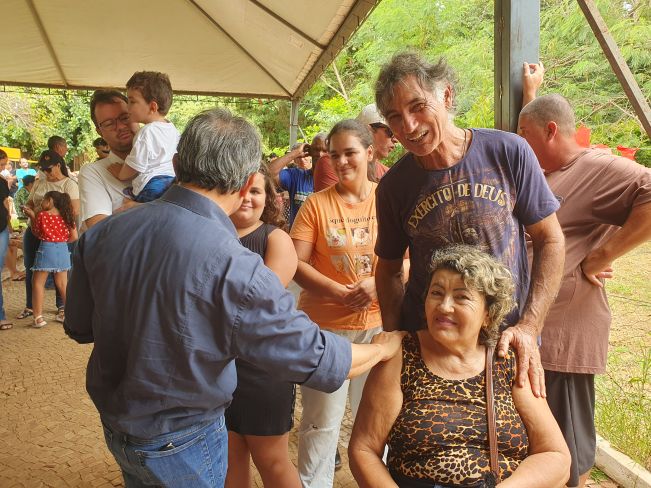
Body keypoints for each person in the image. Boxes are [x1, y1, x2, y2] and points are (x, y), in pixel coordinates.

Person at [64, 107, 405, 488]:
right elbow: (311, 355)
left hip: (118, 428)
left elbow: (79, 327)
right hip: (185, 436)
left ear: (176, 165)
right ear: (245, 184)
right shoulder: (234, 263)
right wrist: (381, 348)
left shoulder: (103, 233)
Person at [373, 52, 565, 395]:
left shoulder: (508, 152)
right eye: (395, 117)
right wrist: (396, 336)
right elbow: (388, 270)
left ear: (446, 95)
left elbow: (550, 239)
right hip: (432, 351)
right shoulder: (393, 188)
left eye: (418, 107)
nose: (409, 127)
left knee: (514, 429)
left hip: (504, 344)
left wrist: (529, 326)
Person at [519, 67, 651, 488]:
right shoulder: (546, 170)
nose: (519, 143)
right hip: (537, 331)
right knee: (540, 440)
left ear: (551, 131)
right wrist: (531, 92)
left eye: (524, 134)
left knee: (569, 447)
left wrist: (602, 255)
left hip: (565, 333)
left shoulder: (596, 167)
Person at [350, 245, 571, 487]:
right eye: (436, 293)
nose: (444, 306)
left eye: (461, 297)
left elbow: (555, 455)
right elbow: (364, 450)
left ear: (488, 314)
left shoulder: (506, 360)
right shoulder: (402, 356)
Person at [290, 119, 383, 487]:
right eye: (334, 154)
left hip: (379, 327)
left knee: (375, 420)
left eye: (350, 153)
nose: (341, 162)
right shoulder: (317, 205)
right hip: (326, 330)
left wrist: (377, 284)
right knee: (321, 422)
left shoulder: (387, 199)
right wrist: (338, 292)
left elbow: (412, 258)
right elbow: (295, 263)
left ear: (369, 153)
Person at [224, 165, 300, 488]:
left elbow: (259, 303)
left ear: (268, 198)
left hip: (263, 369)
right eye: (240, 190)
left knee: (272, 460)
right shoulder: (213, 235)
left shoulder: (275, 238)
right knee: (230, 458)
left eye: (255, 191)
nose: (247, 198)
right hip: (218, 368)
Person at [17, 150, 79, 322]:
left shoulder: (69, 184)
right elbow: (30, 202)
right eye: (43, 169)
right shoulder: (39, 183)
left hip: (48, 236)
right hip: (57, 238)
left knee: (43, 277)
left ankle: (59, 309)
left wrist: (40, 217)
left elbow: (74, 210)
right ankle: (33, 307)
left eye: (49, 169)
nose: (46, 172)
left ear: (58, 165)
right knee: (35, 269)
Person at [107, 71, 179, 202]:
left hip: (152, 186)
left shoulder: (147, 132)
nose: (127, 107)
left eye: (132, 101)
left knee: (134, 211)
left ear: (152, 107)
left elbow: (135, 165)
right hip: (172, 183)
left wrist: (120, 174)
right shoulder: (172, 129)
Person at [78, 90, 136, 229]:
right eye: (109, 123)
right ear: (99, 132)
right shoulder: (94, 172)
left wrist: (136, 208)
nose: (120, 126)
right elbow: (100, 229)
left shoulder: (165, 159)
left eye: (125, 117)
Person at [22, 191, 77, 328]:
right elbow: (74, 236)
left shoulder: (43, 215)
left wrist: (32, 216)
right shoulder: (67, 216)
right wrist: (61, 241)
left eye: (44, 200)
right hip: (63, 250)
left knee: (37, 282)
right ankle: (70, 315)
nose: (41, 203)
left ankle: (38, 318)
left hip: (47, 248)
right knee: (63, 284)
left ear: (50, 201)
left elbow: (36, 232)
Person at [313, 104, 397, 191]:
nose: (396, 139)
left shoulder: (387, 173)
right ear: (369, 131)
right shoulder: (333, 163)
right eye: (390, 132)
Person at [269, 133, 326, 228]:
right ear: (310, 151)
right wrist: (296, 153)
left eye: (325, 150)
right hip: (298, 235)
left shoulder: (339, 180)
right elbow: (268, 173)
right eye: (316, 149)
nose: (320, 154)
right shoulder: (296, 176)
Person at [0, 171, 12, 330]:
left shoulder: (1, 181)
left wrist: (8, 223)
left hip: (1, 227)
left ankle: (0, 315)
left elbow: (5, 203)